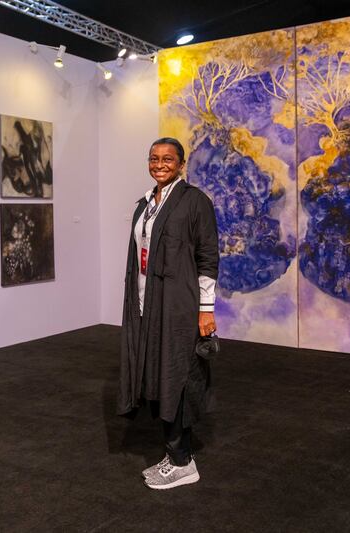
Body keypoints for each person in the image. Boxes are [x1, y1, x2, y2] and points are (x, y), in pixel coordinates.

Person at [118, 137, 219, 490]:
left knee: (175, 376)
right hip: (147, 303)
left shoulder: (195, 203)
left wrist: (206, 309)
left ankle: (182, 461)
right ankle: (173, 453)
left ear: (181, 163)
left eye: (168, 159)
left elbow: (207, 258)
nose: (160, 164)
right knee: (156, 376)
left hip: (178, 306)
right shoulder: (145, 204)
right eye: (154, 158)